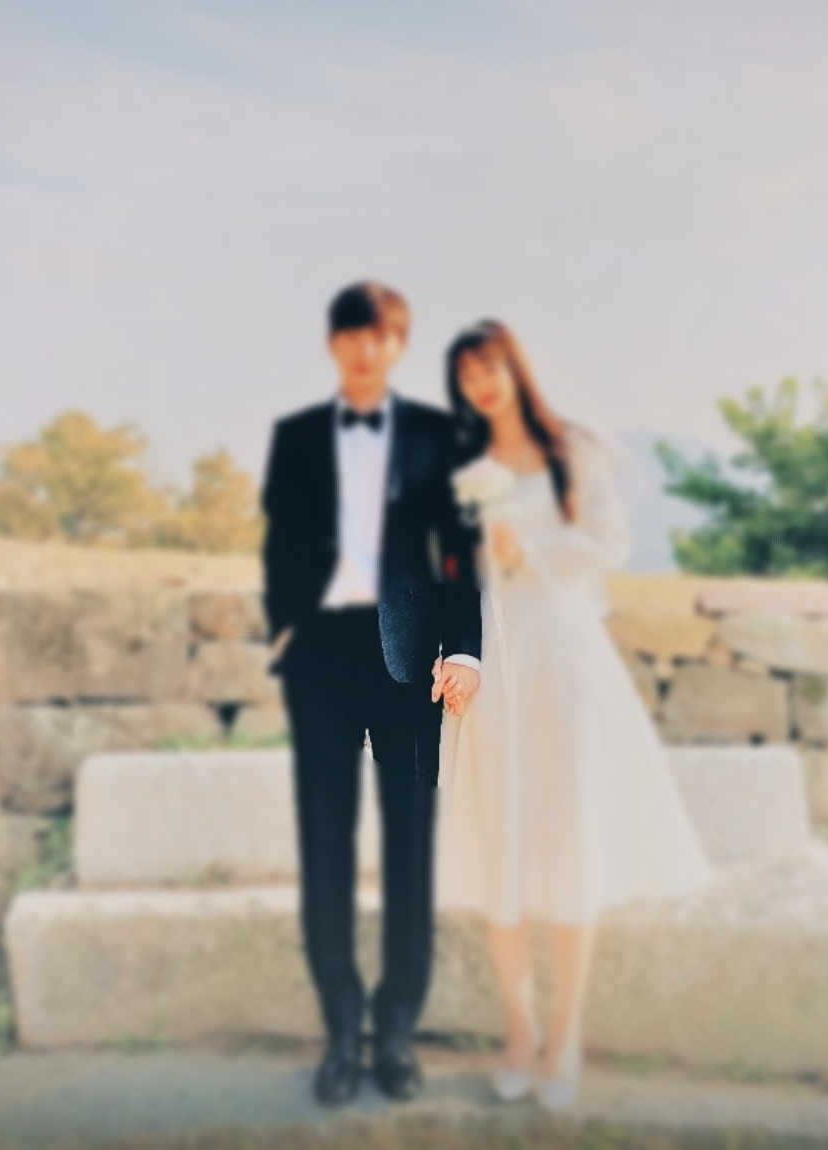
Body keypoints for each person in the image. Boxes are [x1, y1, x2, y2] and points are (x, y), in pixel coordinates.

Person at [434, 320, 712, 1112]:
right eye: (467, 375)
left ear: (515, 368)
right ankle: (517, 1030)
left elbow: (609, 543)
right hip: (496, 657)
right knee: (502, 846)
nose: (482, 384)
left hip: (563, 650)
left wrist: (533, 556)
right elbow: (452, 576)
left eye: (490, 367)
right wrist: (460, 656)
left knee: (569, 840)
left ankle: (565, 1035)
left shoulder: (573, 453)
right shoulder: (464, 469)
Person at [260, 282, 482, 1106]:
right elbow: (280, 541)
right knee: (324, 845)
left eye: (379, 335)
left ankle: (394, 1036)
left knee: (409, 847)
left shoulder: (437, 434)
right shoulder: (294, 437)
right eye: (351, 334)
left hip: (408, 657)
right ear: (334, 343)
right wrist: (283, 628)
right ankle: (340, 1035)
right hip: (319, 653)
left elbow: (459, 551)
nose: (364, 348)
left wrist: (465, 650)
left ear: (398, 345)